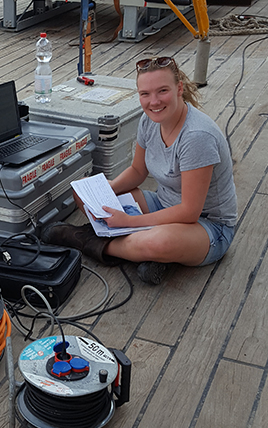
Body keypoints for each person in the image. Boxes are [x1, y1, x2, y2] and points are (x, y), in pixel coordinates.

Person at [43, 56, 237, 284]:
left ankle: (85, 239)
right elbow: (137, 171)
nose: (153, 101)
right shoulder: (148, 120)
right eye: (145, 94)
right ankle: (148, 255)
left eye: (162, 91)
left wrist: (128, 221)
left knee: (159, 243)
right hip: (163, 204)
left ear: (179, 89)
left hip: (207, 225)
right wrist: (105, 191)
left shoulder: (196, 137)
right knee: (83, 194)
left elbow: (189, 212)